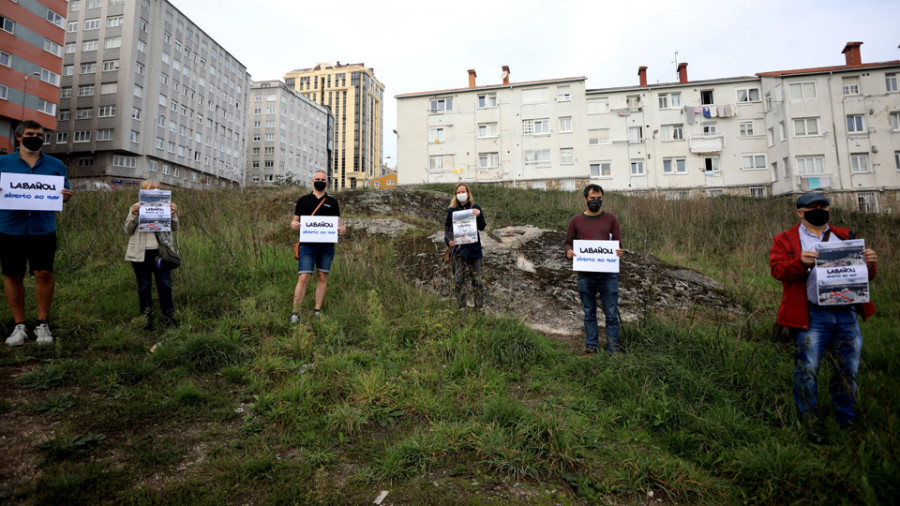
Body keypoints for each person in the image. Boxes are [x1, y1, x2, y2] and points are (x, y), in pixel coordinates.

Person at [770, 192, 877, 428]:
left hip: (846, 313)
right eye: (813, 207)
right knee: (807, 369)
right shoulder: (785, 239)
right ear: (800, 212)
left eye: (824, 206)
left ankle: (846, 421)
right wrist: (799, 263)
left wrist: (870, 264)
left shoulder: (845, 236)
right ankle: (809, 421)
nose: (820, 210)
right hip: (813, 314)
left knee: (847, 369)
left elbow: (864, 278)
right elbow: (777, 271)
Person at [0, 120, 73, 346]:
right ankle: (19, 325)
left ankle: (43, 323)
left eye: (40, 135)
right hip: (10, 228)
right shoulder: (3, 162)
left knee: (44, 274)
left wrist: (65, 196)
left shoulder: (56, 165)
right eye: (31, 133)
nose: (36, 137)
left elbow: (64, 190)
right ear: (19, 137)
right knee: (13, 275)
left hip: (43, 228)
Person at [565, 184, 623, 355]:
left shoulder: (611, 219)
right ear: (585, 199)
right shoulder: (576, 221)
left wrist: (619, 251)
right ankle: (591, 347)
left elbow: (618, 243)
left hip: (608, 274)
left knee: (611, 313)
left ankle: (613, 348)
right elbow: (568, 242)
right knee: (589, 312)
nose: (596, 202)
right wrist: (568, 251)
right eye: (592, 199)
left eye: (599, 199)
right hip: (585, 274)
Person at [289, 170, 345, 323]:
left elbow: (339, 224)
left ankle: (317, 310)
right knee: (304, 277)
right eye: (317, 179)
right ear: (312, 181)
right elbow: (295, 221)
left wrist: (342, 230)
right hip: (307, 245)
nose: (320, 181)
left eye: (323, 179)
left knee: (323, 276)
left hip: (326, 246)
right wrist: (293, 224)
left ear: (327, 183)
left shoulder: (332, 202)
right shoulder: (303, 200)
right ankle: (295, 313)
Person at [124, 180, 179, 329]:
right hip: (141, 254)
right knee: (144, 286)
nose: (156, 190)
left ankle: (169, 318)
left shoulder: (166, 206)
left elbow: (175, 228)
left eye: (158, 188)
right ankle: (146, 319)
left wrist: (173, 215)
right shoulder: (135, 207)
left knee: (165, 285)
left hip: (161, 253)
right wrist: (134, 215)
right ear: (144, 191)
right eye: (152, 188)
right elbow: (128, 230)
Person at [444, 183, 487, 312]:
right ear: (455, 195)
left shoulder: (475, 208)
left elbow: (482, 227)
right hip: (458, 251)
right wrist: (448, 241)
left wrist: (478, 215)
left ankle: (479, 308)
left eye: (463, 191)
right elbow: (447, 228)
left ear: (468, 193)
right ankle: (462, 307)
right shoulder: (452, 210)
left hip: (474, 250)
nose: (461, 194)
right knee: (458, 281)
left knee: (477, 281)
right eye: (458, 192)